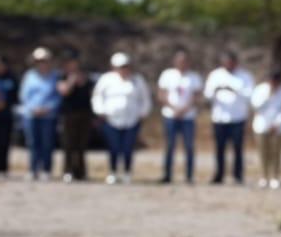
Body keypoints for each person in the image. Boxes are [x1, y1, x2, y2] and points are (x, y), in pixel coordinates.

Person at [91, 53, 151, 183]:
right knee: (113, 147)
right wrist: (100, 111)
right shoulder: (106, 79)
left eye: (126, 66)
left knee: (128, 148)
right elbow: (97, 96)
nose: (123, 69)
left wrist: (142, 113)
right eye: (120, 67)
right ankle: (112, 171)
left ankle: (127, 173)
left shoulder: (137, 80)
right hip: (111, 120)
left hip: (131, 121)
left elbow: (145, 99)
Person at [204, 51, 253, 185]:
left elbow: (250, 95)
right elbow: (207, 94)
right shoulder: (215, 75)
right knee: (219, 148)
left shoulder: (245, 76)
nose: (229, 65)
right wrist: (217, 90)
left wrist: (234, 90)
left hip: (238, 117)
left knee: (237, 148)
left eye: (231, 62)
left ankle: (238, 175)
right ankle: (219, 174)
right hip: (219, 118)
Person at [157, 48, 203, 185]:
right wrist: (173, 108)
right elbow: (161, 94)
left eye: (184, 61)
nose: (182, 63)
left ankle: (189, 176)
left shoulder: (194, 77)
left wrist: (184, 109)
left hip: (188, 116)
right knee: (170, 146)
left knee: (189, 146)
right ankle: (167, 175)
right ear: (175, 62)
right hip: (170, 115)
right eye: (179, 61)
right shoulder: (167, 75)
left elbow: (197, 96)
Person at [19, 47, 61, 181]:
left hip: (49, 116)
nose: (41, 63)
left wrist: (47, 108)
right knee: (32, 143)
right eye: (39, 61)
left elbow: (57, 96)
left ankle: (46, 170)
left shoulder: (55, 76)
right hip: (31, 115)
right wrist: (33, 108)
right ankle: (32, 169)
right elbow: (23, 96)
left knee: (47, 143)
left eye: (44, 60)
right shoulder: (29, 75)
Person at [250, 68, 281, 189]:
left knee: (276, 153)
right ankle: (264, 177)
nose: (274, 83)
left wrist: (277, 124)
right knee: (263, 153)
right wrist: (268, 95)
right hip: (261, 126)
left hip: (278, 128)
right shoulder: (260, 90)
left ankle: (275, 177)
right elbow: (256, 107)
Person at [57, 54, 95, 182]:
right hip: (69, 115)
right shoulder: (62, 77)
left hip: (84, 115)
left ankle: (81, 172)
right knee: (68, 144)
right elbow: (64, 91)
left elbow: (93, 94)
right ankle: (68, 171)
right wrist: (72, 81)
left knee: (82, 145)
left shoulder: (87, 78)